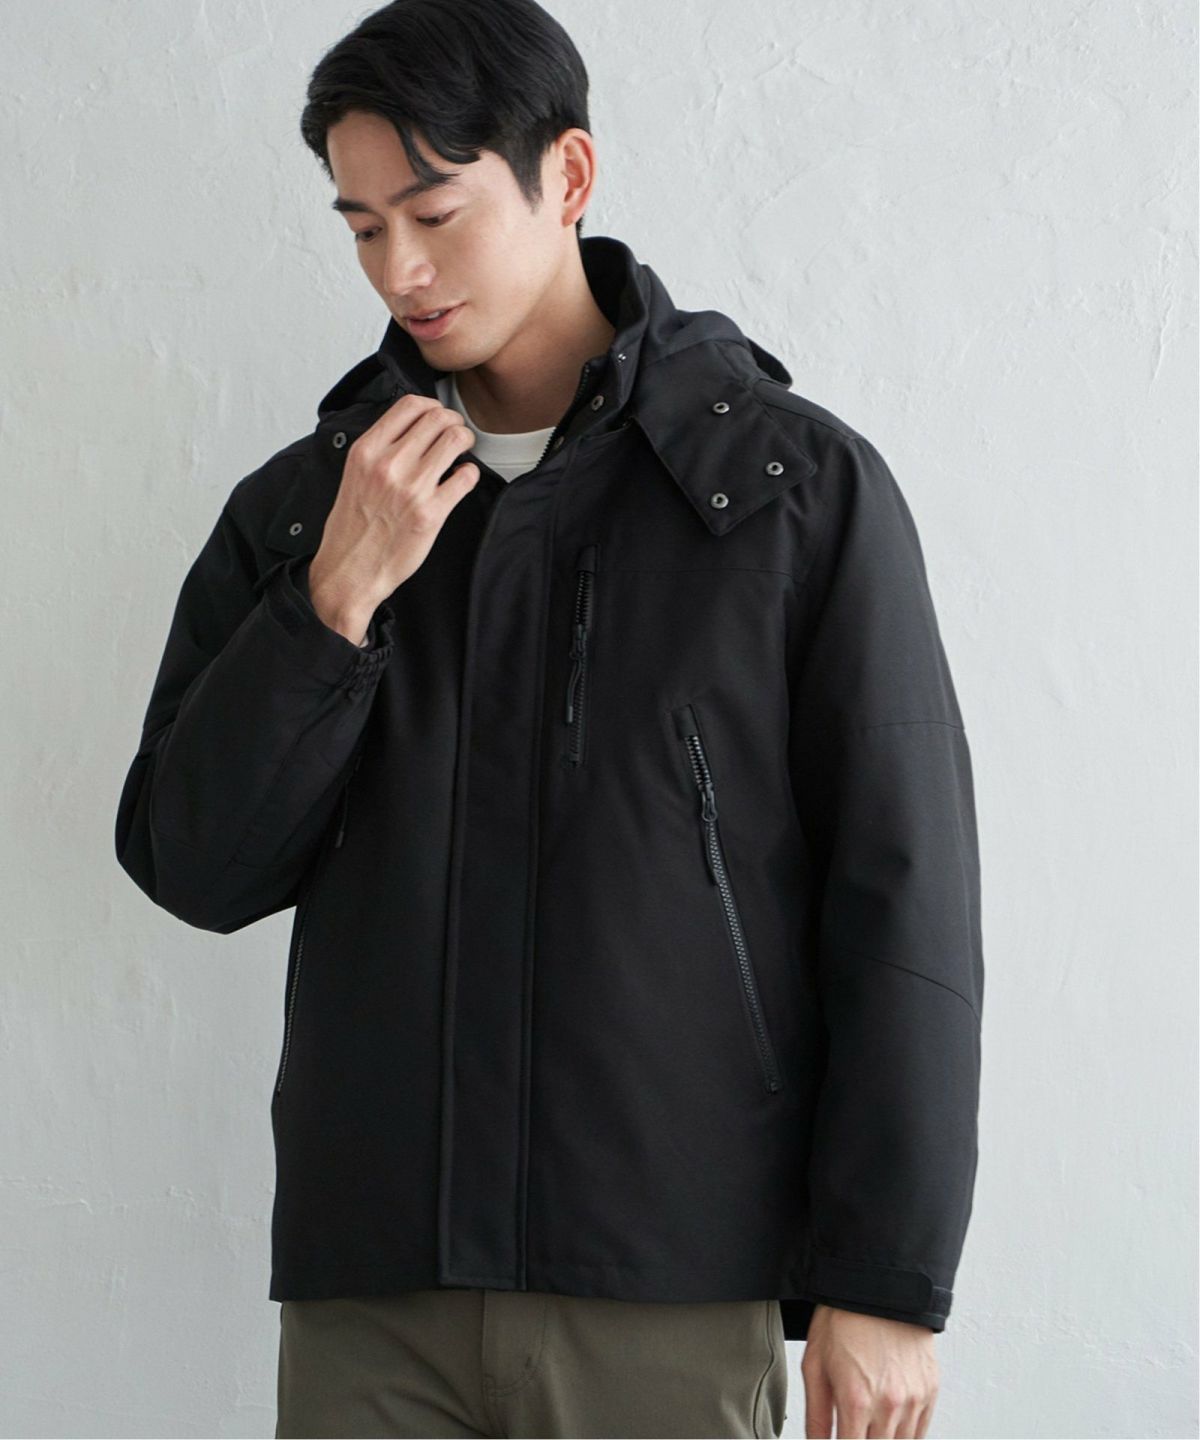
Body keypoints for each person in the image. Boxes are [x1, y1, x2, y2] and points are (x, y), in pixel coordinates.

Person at [114, 1, 984, 1436]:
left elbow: (905, 898)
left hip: (667, 1276)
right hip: (372, 1291)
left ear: (567, 175)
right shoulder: (309, 509)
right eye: (361, 227)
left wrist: (885, 1277)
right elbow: (193, 865)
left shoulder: (786, 495)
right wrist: (334, 600)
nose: (397, 269)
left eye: (433, 214)